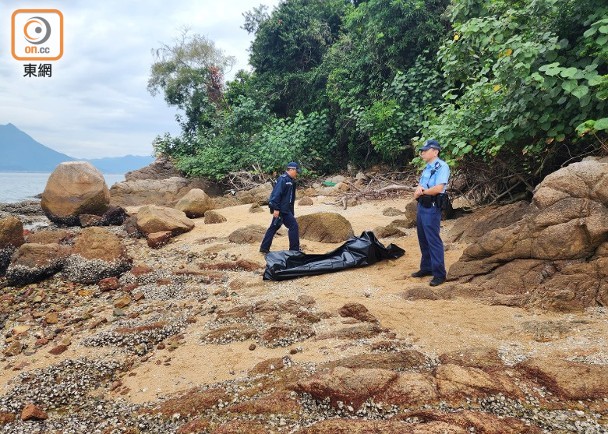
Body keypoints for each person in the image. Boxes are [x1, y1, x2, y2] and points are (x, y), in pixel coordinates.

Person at [411, 139, 450, 286]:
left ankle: (439, 274)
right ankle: (426, 267)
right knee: (423, 238)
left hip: (432, 206)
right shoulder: (427, 167)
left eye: (426, 150)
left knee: (433, 240)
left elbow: (439, 188)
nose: (423, 152)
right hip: (422, 205)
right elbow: (422, 184)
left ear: (435, 151)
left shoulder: (442, 167)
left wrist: (422, 193)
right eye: (422, 150)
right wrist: (418, 192)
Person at [259, 162, 301, 254]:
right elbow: (276, 195)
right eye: (296, 171)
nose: (297, 173)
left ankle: (264, 248)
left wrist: (291, 211)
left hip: (285, 209)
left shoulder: (290, 180)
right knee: (293, 226)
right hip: (282, 210)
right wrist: (276, 209)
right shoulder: (283, 179)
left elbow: (290, 198)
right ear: (291, 170)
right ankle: (295, 250)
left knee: (273, 227)